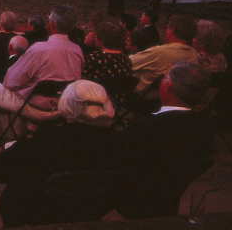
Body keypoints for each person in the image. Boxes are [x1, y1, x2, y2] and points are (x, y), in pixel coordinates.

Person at [0, 80, 122, 227]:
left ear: (68, 104)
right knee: (27, 152)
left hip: (38, 212)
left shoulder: (52, 138)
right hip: (91, 209)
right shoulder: (118, 141)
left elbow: (2, 175)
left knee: (24, 154)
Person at [0, 6, 83, 144]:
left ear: (52, 24)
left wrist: (14, 59)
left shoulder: (39, 49)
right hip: (63, 107)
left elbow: (10, 82)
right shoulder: (78, 52)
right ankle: (22, 132)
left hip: (33, 107)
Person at [117, 61, 216, 219]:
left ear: (167, 87)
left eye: (163, 78)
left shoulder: (145, 127)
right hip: (173, 195)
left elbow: (125, 164)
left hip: (138, 199)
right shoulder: (205, 127)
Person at [129, 14, 198, 96]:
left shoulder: (160, 52)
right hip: (171, 98)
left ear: (172, 30)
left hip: (140, 96)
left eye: (167, 27)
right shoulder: (194, 55)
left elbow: (126, 63)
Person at [81, 19, 134, 112]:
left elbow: (81, 81)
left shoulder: (93, 58)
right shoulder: (126, 60)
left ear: (100, 40)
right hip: (117, 106)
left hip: (94, 104)